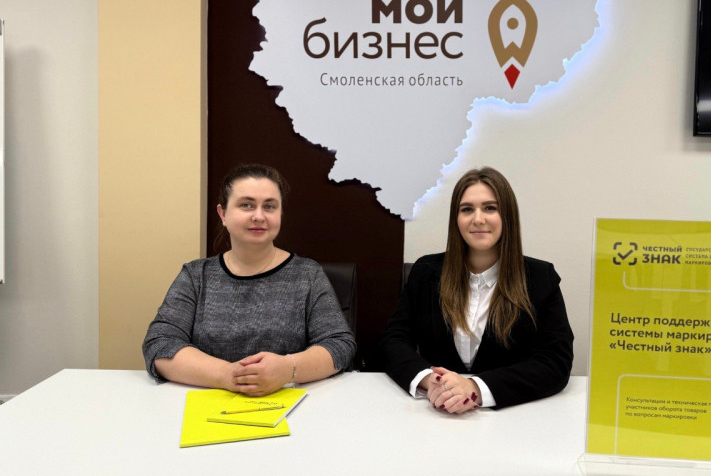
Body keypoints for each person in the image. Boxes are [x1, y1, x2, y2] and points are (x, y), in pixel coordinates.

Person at [142, 164, 356, 396]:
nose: (259, 216)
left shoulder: (307, 274)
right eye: (246, 205)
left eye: (270, 206)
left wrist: (288, 369)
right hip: (208, 405)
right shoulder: (196, 276)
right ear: (223, 214)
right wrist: (228, 375)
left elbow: (339, 345)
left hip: (289, 406)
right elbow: (160, 343)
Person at [379, 167, 573, 412]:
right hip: (433, 413)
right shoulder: (425, 271)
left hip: (514, 418)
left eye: (490, 208)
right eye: (467, 209)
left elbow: (555, 362)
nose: (478, 219)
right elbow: (393, 341)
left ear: (507, 216)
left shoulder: (540, 277)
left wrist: (475, 388)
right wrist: (431, 381)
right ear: (456, 219)